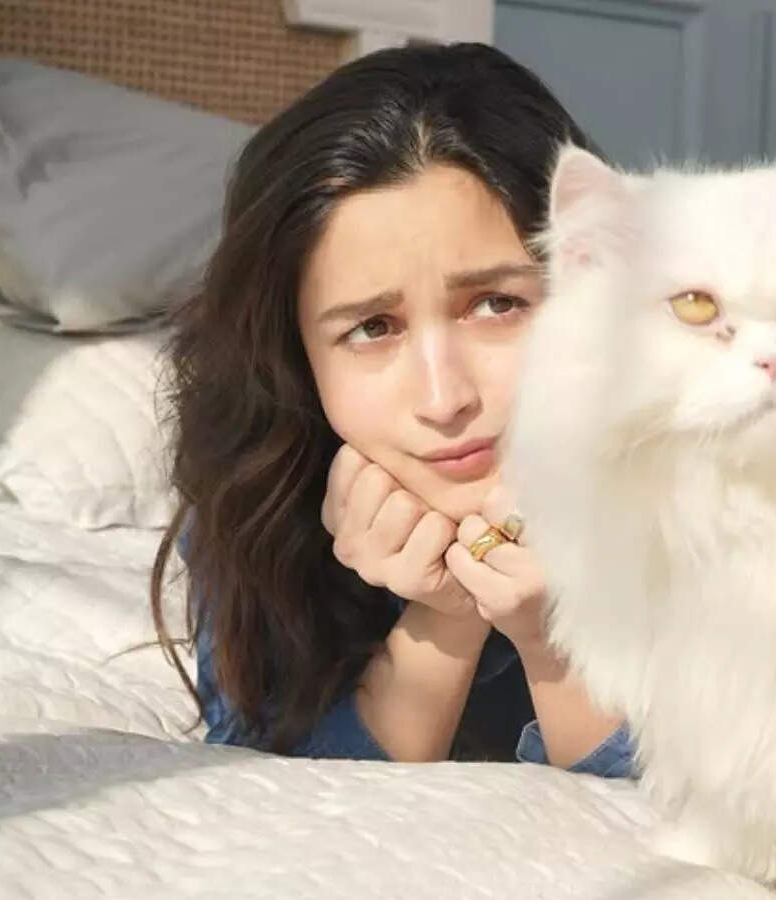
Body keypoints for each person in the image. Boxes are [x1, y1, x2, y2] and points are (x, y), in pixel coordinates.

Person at [149, 42, 634, 777]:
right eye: (373, 327)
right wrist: (444, 617)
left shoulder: (731, 479)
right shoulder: (259, 502)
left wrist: (552, 639)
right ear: (297, 360)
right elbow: (268, 805)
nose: (444, 399)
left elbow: (737, 821)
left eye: (497, 304)